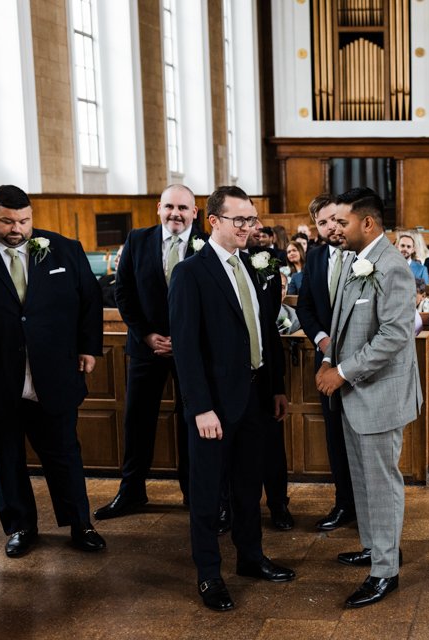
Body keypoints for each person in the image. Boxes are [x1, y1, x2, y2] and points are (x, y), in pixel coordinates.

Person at [169, 185, 295, 611]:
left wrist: (275, 386)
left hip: (256, 397)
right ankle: (209, 575)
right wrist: (200, 407)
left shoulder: (256, 268)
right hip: (213, 405)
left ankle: (251, 557)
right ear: (214, 222)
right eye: (239, 219)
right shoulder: (191, 273)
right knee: (207, 494)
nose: (249, 227)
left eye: (252, 219)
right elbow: (185, 348)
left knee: (247, 487)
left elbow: (265, 335)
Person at [315, 187, 422, 608]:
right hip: (355, 393)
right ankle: (375, 546)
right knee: (362, 480)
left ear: (368, 223)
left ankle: (385, 570)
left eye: (342, 222)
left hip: (377, 392)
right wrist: (330, 358)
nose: (335, 229)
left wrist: (341, 372)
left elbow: (396, 334)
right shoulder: (355, 260)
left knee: (381, 483)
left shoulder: (391, 265)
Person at [0, 184, 106, 558]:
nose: (16, 229)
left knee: (63, 452)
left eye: (24, 220)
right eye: (7, 221)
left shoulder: (63, 249)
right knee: (5, 458)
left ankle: (80, 523)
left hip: (52, 375)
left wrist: (89, 347)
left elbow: (90, 300)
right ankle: (21, 527)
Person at [94, 184, 208, 521]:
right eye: (170, 206)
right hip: (146, 347)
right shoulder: (138, 240)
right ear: (159, 207)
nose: (176, 213)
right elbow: (123, 292)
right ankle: (131, 492)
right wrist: (147, 335)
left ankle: (195, 493)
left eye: (183, 208)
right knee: (137, 419)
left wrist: (186, 338)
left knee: (193, 421)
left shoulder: (206, 245)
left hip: (193, 350)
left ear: (195, 213)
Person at [295, 194, 357, 532]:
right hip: (326, 362)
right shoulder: (316, 257)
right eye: (323, 222)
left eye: (335, 219)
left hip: (363, 362)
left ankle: (370, 508)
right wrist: (322, 339)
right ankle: (343, 503)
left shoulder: (366, 254)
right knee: (335, 436)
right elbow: (305, 306)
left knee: (364, 437)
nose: (331, 227)